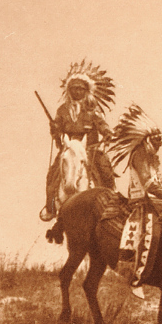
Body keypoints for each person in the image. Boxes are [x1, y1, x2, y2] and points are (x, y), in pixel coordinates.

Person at [107, 105, 162, 298]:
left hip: (157, 202)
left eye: (160, 141)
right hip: (141, 203)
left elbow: (158, 185)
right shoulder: (139, 155)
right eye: (156, 141)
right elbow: (148, 186)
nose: (159, 144)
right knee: (151, 234)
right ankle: (136, 278)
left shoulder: (152, 158)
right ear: (147, 140)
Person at [41, 61, 116, 222]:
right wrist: (55, 129)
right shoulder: (62, 110)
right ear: (69, 90)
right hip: (69, 148)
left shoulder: (92, 110)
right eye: (74, 88)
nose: (77, 91)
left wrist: (108, 133)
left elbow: (102, 125)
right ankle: (51, 207)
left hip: (90, 149)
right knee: (53, 174)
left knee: (105, 169)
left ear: (86, 90)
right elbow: (58, 129)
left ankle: (111, 204)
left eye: (80, 88)